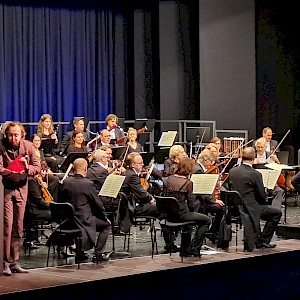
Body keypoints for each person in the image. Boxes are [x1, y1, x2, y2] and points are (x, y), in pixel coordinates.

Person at [0, 121, 41, 275]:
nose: (13, 138)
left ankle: (14, 261)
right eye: (10, 135)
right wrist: (12, 171)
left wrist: (26, 168)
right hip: (6, 190)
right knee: (7, 226)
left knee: (18, 226)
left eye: (16, 135)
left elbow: (37, 167)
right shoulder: (1, 146)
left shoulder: (28, 146)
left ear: (21, 135)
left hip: (22, 190)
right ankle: (3, 262)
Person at [228, 147, 282, 252]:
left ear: (241, 157)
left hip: (236, 208)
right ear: (254, 158)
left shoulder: (232, 171)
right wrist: (266, 195)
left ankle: (260, 239)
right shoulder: (256, 174)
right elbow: (261, 197)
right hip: (251, 208)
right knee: (276, 213)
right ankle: (263, 241)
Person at [60, 158, 111, 262]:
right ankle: (98, 254)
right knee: (106, 225)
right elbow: (98, 204)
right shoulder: (88, 184)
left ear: (73, 168)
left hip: (68, 221)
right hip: (84, 220)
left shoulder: (65, 182)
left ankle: (80, 253)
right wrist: (104, 217)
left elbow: (61, 201)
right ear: (85, 168)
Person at [163, 158, 212, 257]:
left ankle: (185, 250)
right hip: (182, 215)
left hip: (168, 215)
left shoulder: (167, 180)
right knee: (207, 220)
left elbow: (164, 197)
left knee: (189, 223)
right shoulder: (188, 183)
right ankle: (193, 248)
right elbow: (191, 204)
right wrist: (193, 212)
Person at [193, 149, 225, 243]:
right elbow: (201, 191)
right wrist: (214, 200)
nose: (211, 164)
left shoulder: (196, 167)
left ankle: (212, 232)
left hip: (199, 199)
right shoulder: (198, 170)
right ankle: (212, 232)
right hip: (198, 202)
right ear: (205, 160)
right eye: (211, 162)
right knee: (221, 208)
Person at [253, 137, 285, 210]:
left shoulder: (270, 154)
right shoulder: (253, 156)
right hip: (257, 185)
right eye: (258, 147)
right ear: (255, 147)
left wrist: (277, 161)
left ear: (265, 147)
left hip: (269, 183)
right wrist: (253, 164)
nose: (260, 149)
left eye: (262, 147)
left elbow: (279, 168)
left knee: (279, 191)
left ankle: (275, 211)